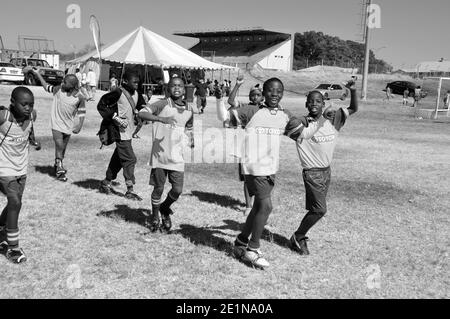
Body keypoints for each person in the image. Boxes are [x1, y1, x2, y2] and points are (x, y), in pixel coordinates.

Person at [224, 76, 323, 269]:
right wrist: (222, 101)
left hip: (270, 169)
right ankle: (252, 250)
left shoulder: (284, 115)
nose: (274, 94)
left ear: (283, 94)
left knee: (258, 208)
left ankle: (241, 242)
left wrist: (319, 120)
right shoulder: (253, 111)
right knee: (266, 207)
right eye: (270, 90)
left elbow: (302, 134)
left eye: (279, 91)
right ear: (263, 93)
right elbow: (227, 116)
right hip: (254, 168)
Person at [289, 79, 358, 256]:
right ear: (306, 104)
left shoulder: (333, 121)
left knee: (315, 209)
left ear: (323, 104)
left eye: (318, 101)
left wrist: (353, 91)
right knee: (320, 209)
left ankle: (299, 237)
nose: (314, 104)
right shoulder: (301, 124)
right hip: (312, 173)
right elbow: (290, 127)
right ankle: (299, 235)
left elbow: (353, 109)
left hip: (326, 172)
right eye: (311, 101)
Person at [138, 77, 194, 233]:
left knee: (177, 190)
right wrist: (161, 119)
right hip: (160, 155)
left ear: (184, 89)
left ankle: (164, 208)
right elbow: (142, 113)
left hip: (177, 156)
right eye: (173, 86)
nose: (177, 88)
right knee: (159, 188)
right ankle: (155, 217)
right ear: (168, 89)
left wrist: (191, 139)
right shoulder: (162, 104)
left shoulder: (190, 108)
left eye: (180, 86)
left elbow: (189, 127)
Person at [0, 87, 37, 263]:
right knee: (15, 202)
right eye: (24, 104)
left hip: (21, 169)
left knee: (15, 203)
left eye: (31, 104)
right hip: (4, 169)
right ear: (13, 103)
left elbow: (29, 131)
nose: (28, 108)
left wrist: (33, 140)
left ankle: (1, 227)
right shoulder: (3, 117)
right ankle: (13, 248)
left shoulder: (32, 116)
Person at [98, 71, 145, 201]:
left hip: (128, 132)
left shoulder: (137, 93)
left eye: (138, 82)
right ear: (124, 81)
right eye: (134, 81)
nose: (137, 83)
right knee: (130, 159)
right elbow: (101, 105)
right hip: (118, 132)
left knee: (118, 159)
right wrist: (115, 117)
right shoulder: (118, 92)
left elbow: (142, 106)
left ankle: (106, 182)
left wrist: (145, 112)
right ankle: (130, 190)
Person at [32, 69, 86, 182]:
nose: (62, 83)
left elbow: (82, 112)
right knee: (59, 145)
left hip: (68, 126)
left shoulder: (79, 98)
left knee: (62, 148)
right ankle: (60, 170)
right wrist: (37, 74)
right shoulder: (58, 90)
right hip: (56, 124)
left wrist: (80, 125)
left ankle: (58, 164)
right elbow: (46, 86)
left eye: (65, 82)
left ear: (72, 86)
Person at [227, 82, 265, 216]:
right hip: (246, 146)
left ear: (263, 97)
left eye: (258, 95)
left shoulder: (266, 109)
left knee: (261, 177)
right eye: (253, 95)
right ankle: (248, 206)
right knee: (248, 177)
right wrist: (237, 85)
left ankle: (260, 203)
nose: (255, 97)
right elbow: (231, 101)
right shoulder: (243, 106)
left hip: (262, 147)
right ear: (249, 97)